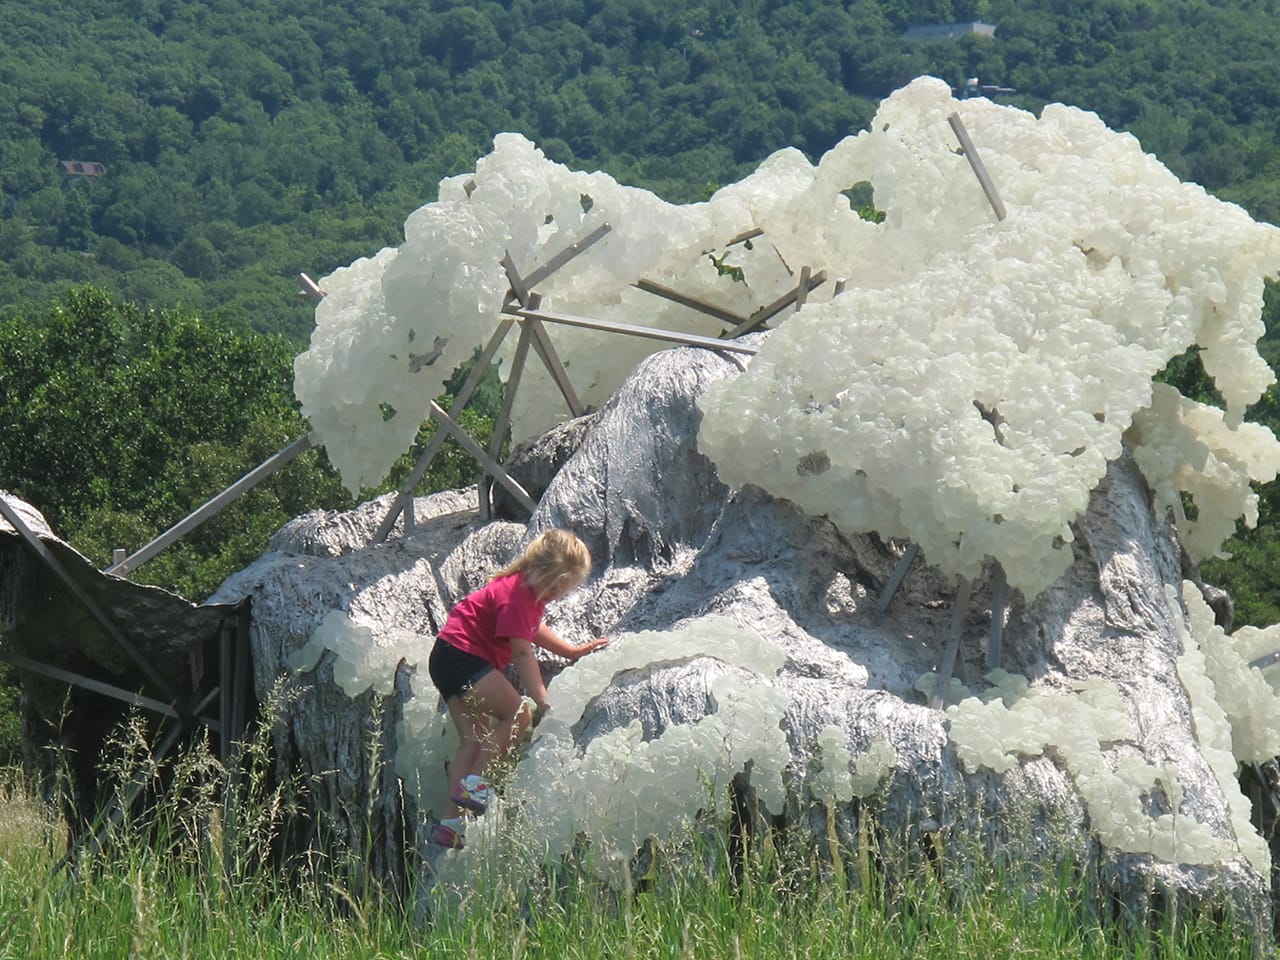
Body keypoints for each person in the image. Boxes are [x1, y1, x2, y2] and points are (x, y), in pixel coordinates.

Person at [426, 528, 609, 848]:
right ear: (536, 568)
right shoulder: (517, 597)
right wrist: (541, 697)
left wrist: (571, 651)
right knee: (520, 713)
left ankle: (450, 825)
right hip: (462, 656)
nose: (554, 594)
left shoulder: (522, 590)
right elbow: (523, 651)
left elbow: (533, 630)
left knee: (472, 741)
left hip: (445, 658)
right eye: (553, 586)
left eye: (561, 590)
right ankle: (476, 787)